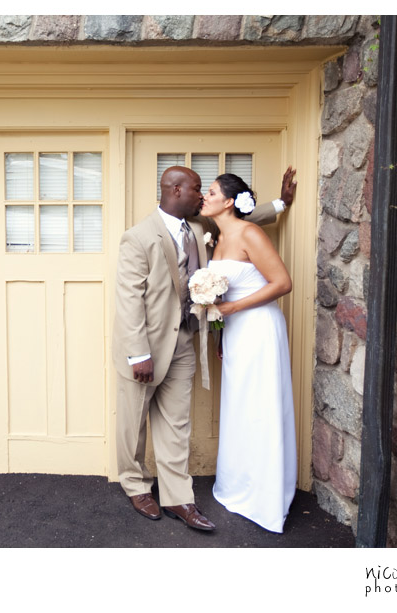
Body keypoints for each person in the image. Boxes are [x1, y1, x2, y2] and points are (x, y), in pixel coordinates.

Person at [111, 165, 295, 531]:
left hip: (185, 341)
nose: (201, 196)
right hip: (144, 347)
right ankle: (135, 485)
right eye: (198, 189)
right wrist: (138, 353)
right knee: (133, 422)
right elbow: (128, 299)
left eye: (206, 191)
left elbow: (237, 217)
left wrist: (280, 203)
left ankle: (178, 497)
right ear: (177, 190)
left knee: (177, 422)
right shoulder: (138, 237)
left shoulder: (198, 227)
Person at [199, 172, 297, 533]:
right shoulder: (218, 236)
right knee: (240, 407)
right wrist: (222, 334)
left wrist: (233, 311)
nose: (203, 197)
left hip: (258, 329)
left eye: (210, 193)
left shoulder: (249, 232)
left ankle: (265, 494)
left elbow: (283, 283)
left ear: (228, 202)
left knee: (261, 405)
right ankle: (239, 483)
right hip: (235, 333)